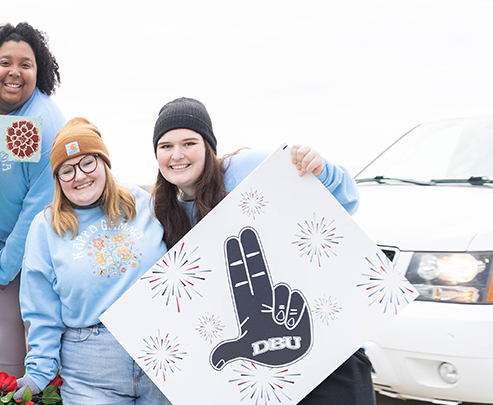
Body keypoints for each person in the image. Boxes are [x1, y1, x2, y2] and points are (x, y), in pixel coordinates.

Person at [150, 97, 369, 405]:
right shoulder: (162, 211)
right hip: (259, 371)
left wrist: (319, 169)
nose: (177, 155)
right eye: (166, 146)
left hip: (326, 348)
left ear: (209, 145)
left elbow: (346, 200)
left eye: (189, 142)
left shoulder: (248, 169)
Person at [16, 118, 169, 404]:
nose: (79, 176)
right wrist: (38, 372)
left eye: (87, 162)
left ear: (104, 163)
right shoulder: (46, 226)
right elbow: (41, 308)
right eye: (67, 169)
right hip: (91, 367)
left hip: (160, 357)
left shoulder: (144, 204)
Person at [0, 22, 66, 376]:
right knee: (3, 323)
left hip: (46, 245)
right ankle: (8, 392)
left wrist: (4, 266)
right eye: (5, 62)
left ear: (39, 72)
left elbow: (40, 204)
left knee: (41, 328)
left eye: (26, 64)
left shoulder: (45, 123)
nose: (15, 72)